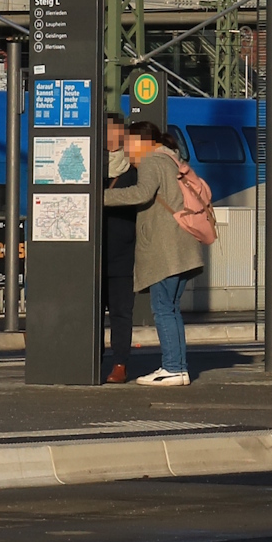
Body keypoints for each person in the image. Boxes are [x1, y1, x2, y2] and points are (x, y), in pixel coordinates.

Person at [105, 119, 205, 384]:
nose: (127, 149)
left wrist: (98, 197)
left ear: (143, 142)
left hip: (165, 249)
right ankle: (179, 368)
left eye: (129, 143)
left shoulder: (152, 160)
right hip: (182, 246)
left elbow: (142, 193)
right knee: (171, 309)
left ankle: (172, 367)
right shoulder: (171, 159)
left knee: (162, 309)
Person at [99, 113, 138, 384]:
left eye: (115, 132)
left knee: (121, 313)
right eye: (106, 131)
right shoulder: (88, 167)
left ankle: (120, 364)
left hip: (123, 253)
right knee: (91, 312)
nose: (110, 138)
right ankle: (92, 359)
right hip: (92, 254)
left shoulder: (134, 171)